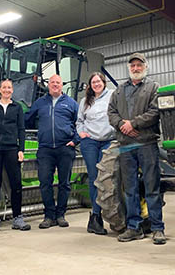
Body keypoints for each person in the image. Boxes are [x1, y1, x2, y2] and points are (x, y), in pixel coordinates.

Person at [107, 52, 166, 245]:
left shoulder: (153, 87)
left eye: (139, 65)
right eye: (132, 65)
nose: (135, 68)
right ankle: (134, 227)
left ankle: (157, 228)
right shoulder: (119, 90)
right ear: (129, 68)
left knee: (151, 187)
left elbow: (155, 111)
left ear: (145, 67)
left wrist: (133, 124)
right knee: (130, 189)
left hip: (146, 143)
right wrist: (122, 125)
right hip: (125, 145)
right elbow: (111, 112)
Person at [25, 74, 79, 229]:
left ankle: (60, 215)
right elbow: (26, 119)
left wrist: (75, 140)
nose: (55, 85)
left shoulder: (71, 104)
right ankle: (49, 215)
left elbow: (81, 123)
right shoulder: (39, 103)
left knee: (64, 183)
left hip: (65, 148)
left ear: (62, 85)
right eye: (52, 82)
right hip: (45, 149)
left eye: (58, 83)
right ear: (48, 85)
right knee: (45, 182)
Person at [0, 78, 31, 234]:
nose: (7, 90)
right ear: (0, 89)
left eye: (9, 87)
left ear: (12, 90)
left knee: (16, 183)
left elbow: (21, 129)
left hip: (11, 149)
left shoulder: (17, 108)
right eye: (4, 87)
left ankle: (17, 217)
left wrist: (20, 149)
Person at [76, 72, 114, 235]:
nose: (96, 84)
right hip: (90, 142)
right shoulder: (85, 101)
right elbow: (79, 121)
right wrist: (82, 133)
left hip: (108, 141)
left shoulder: (112, 95)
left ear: (103, 82)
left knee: (105, 178)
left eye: (98, 81)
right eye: (93, 82)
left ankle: (112, 214)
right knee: (94, 178)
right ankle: (95, 218)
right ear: (90, 85)